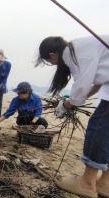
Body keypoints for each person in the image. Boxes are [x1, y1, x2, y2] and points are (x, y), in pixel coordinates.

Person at [35, 35, 109, 198]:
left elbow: (81, 87)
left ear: (52, 55)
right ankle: (105, 183)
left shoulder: (74, 52)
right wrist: (73, 102)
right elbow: (96, 85)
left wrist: (66, 105)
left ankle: (87, 184)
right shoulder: (82, 47)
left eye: (49, 61)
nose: (52, 65)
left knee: (99, 128)